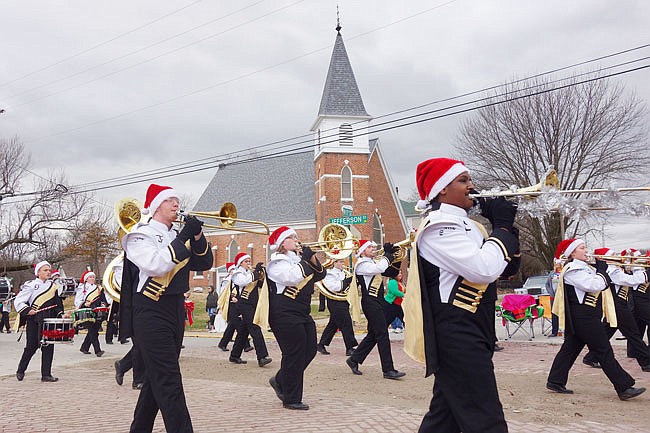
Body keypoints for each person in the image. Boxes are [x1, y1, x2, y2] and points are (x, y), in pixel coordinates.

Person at [403, 157, 520, 433]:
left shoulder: (470, 226)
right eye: (463, 180)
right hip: (456, 332)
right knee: (486, 419)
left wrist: (505, 227)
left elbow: (507, 269)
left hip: (473, 327)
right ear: (442, 189)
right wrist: (500, 229)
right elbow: (483, 268)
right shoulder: (438, 227)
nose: (472, 186)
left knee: (443, 419)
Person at [119, 183, 213, 433]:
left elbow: (204, 262)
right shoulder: (140, 235)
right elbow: (156, 265)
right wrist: (183, 237)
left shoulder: (176, 236)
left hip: (174, 309)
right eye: (169, 200)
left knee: (155, 379)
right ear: (155, 206)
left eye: (177, 200)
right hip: (150, 311)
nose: (176, 204)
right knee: (169, 380)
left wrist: (197, 235)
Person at [547, 239, 645, 400]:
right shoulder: (573, 269)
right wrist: (602, 271)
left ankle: (555, 380)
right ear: (572, 252)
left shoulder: (583, 267)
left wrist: (604, 269)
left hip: (587, 315)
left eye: (585, 247)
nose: (586, 250)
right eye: (582, 248)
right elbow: (595, 285)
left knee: (569, 349)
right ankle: (624, 386)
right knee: (604, 350)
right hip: (584, 317)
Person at [266, 226, 326, 410]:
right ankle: (291, 398)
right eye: (292, 237)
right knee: (294, 352)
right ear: (282, 243)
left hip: (301, 312)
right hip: (284, 312)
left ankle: (281, 380)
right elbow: (292, 278)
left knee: (309, 350)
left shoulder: (299, 260)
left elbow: (320, 274)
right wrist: (306, 260)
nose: (297, 239)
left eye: (296, 237)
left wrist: (312, 257)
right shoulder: (277, 262)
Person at [582, 248, 650, 371]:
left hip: (618, 304)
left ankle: (591, 357)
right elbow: (630, 281)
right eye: (613, 255)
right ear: (605, 258)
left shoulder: (616, 268)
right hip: (617, 306)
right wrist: (646, 274)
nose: (617, 257)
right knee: (633, 334)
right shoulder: (611, 270)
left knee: (607, 332)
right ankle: (646, 362)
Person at [345, 239, 405, 379]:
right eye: (370, 247)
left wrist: (395, 257)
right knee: (382, 333)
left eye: (373, 246)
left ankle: (354, 359)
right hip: (370, 303)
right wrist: (387, 255)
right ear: (362, 251)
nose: (373, 248)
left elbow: (390, 272)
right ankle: (388, 369)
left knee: (374, 334)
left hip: (378, 302)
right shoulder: (361, 264)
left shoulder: (372, 262)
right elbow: (380, 269)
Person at [15, 261, 66, 382]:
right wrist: (28, 310)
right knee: (32, 346)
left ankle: (46, 374)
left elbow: (58, 304)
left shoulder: (53, 286)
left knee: (48, 346)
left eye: (49, 270)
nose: (48, 272)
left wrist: (61, 314)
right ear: (38, 273)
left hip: (49, 319)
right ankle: (21, 370)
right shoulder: (31, 285)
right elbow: (19, 301)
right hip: (34, 319)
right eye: (45, 270)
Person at [229, 252, 272, 367]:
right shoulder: (237, 273)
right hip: (244, 304)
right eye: (246, 261)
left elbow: (259, 285)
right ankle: (262, 356)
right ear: (240, 263)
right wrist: (255, 274)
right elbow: (243, 281)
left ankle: (234, 355)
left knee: (243, 331)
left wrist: (262, 275)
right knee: (255, 327)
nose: (249, 263)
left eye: (249, 261)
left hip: (252, 303)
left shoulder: (249, 273)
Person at [317, 258, 358, 356]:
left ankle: (321, 344)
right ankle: (350, 347)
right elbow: (335, 287)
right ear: (334, 263)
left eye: (343, 261)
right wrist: (347, 281)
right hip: (334, 301)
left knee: (334, 324)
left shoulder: (344, 273)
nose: (343, 264)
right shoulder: (330, 274)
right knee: (346, 323)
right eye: (340, 262)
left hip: (343, 300)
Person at [217, 262, 253, 353]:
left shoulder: (238, 278)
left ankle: (223, 343)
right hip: (231, 305)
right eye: (232, 270)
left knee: (232, 327)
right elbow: (224, 293)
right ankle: (246, 346)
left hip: (238, 304)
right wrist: (231, 297)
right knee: (240, 327)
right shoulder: (227, 280)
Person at [75, 270, 106, 357]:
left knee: (94, 330)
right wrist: (84, 303)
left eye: (93, 277)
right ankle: (98, 350)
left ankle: (84, 347)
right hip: (87, 310)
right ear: (86, 279)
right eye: (90, 277)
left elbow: (103, 298)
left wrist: (103, 303)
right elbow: (77, 300)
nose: (92, 279)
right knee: (92, 331)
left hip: (97, 310)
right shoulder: (82, 288)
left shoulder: (99, 288)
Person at [544, 259, 562, 337]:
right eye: (555, 263)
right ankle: (554, 331)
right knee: (554, 314)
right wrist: (550, 293)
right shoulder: (552, 273)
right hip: (553, 297)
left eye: (558, 263)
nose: (556, 264)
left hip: (562, 297)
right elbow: (547, 284)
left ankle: (564, 331)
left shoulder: (564, 272)